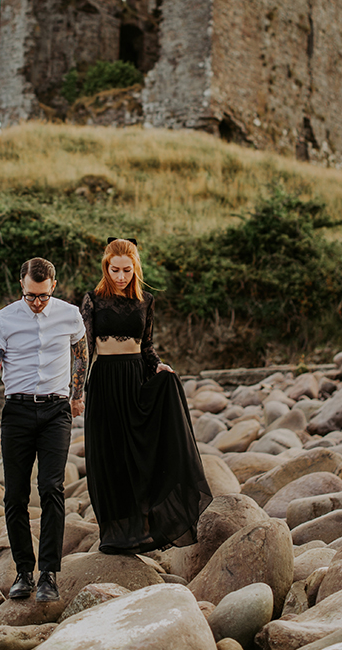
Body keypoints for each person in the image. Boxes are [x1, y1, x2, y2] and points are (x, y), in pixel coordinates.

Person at [80, 237, 212, 555]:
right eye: (115, 270)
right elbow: (81, 351)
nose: (121, 276)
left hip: (136, 377)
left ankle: (144, 528)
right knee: (108, 455)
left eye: (127, 270)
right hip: (105, 381)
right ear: (106, 267)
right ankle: (114, 532)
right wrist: (76, 390)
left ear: (135, 268)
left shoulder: (145, 301)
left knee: (139, 454)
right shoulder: (92, 301)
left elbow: (147, 346)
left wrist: (158, 366)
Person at [0, 257, 87, 602]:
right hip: (17, 411)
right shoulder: (4, 319)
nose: (37, 303)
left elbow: (81, 356)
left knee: (52, 488)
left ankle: (49, 575)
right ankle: (24, 572)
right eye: (30, 296)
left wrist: (77, 396)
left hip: (56, 411)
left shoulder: (69, 314)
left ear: (53, 286)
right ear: (21, 288)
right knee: (15, 495)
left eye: (42, 296)